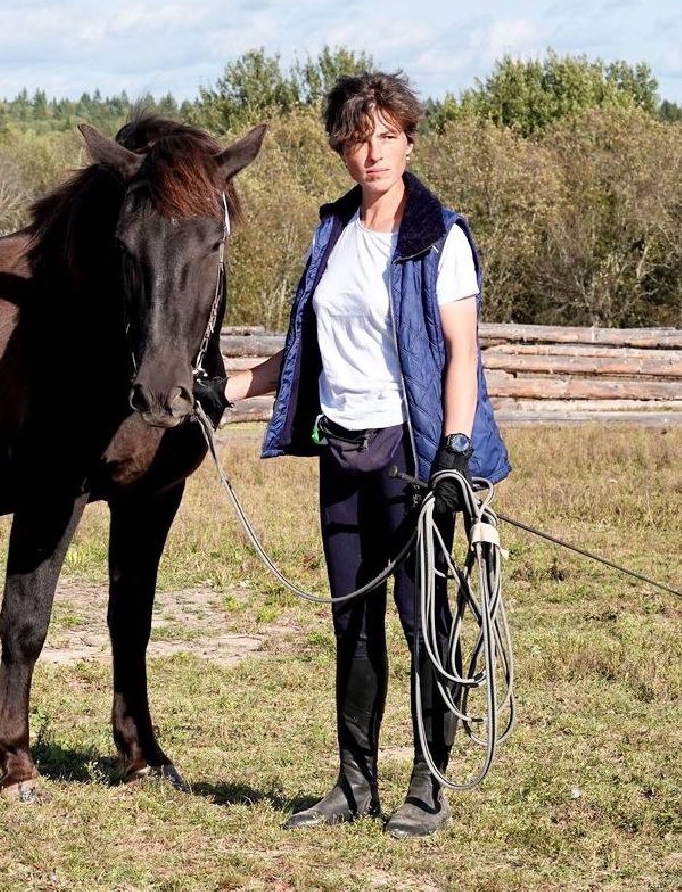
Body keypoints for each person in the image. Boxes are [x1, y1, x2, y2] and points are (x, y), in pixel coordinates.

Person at [202, 72, 510, 838]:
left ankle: (428, 789)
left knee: (422, 623)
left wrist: (454, 452)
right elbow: (307, 348)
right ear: (341, 148)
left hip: (409, 454)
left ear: (408, 142)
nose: (371, 152)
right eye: (357, 139)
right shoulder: (332, 233)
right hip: (340, 450)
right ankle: (353, 784)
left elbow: (460, 353)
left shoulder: (438, 237)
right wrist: (230, 387)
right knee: (353, 624)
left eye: (385, 136)